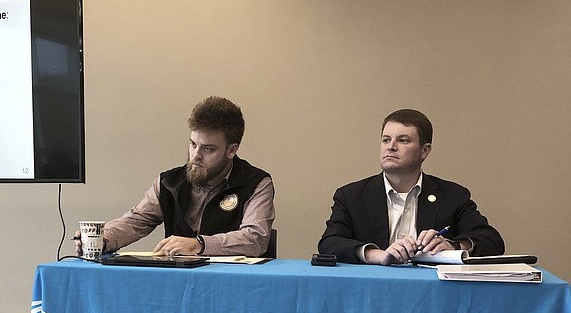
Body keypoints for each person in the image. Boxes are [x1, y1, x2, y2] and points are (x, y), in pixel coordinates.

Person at [76, 96, 275, 257]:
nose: (196, 155)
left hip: (232, 285)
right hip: (178, 282)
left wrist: (198, 245)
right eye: (193, 144)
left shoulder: (257, 183)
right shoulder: (169, 183)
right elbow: (136, 221)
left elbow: (255, 239)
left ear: (231, 150)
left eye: (208, 149)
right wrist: (103, 239)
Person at [318, 109, 504, 265]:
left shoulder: (453, 195)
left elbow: (492, 241)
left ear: (425, 150)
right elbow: (330, 243)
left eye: (403, 140)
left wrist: (453, 246)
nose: (391, 147)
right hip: (373, 288)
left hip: (434, 291)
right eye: (386, 139)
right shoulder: (351, 195)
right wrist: (377, 255)